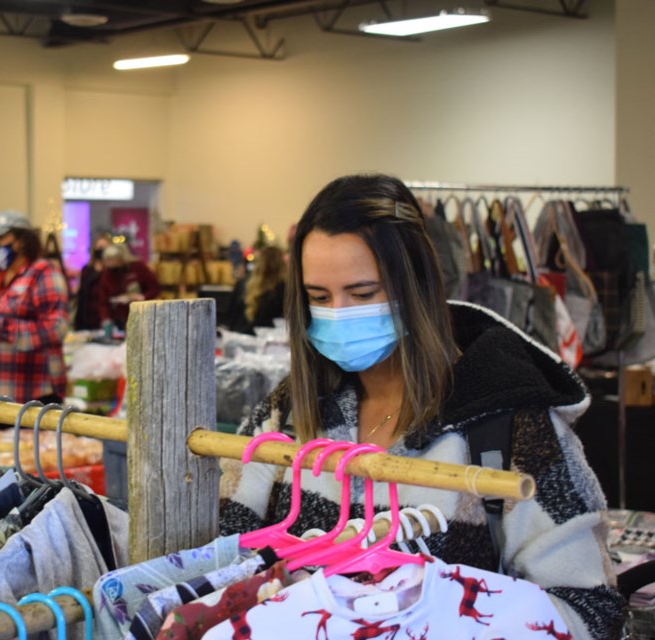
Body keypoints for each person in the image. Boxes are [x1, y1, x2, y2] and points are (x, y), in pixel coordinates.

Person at [218, 173, 624, 639]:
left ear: (417, 285)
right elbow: (226, 558)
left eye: (363, 293)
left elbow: (588, 609)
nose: (338, 313)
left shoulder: (510, 426)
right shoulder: (289, 412)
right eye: (319, 298)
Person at [0, 210, 69, 404]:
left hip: (35, 392)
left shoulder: (43, 273)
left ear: (22, 241)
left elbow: (57, 328)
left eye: (0, 238)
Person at [97, 242, 161, 331]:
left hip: (140, 316)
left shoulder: (138, 267)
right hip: (117, 318)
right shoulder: (107, 274)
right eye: (108, 260)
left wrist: (142, 297)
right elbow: (103, 300)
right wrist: (106, 319)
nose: (111, 263)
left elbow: (155, 288)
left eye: (113, 260)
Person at [223, 244, 286, 334]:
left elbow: (230, 317)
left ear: (258, 263)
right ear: (282, 264)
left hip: (238, 338)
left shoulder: (242, 284)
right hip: (267, 341)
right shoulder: (283, 289)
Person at [73, 233, 112, 331]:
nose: (101, 250)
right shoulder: (87, 270)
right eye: (99, 247)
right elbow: (81, 294)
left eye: (104, 247)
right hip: (87, 318)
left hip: (105, 317)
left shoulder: (111, 270)